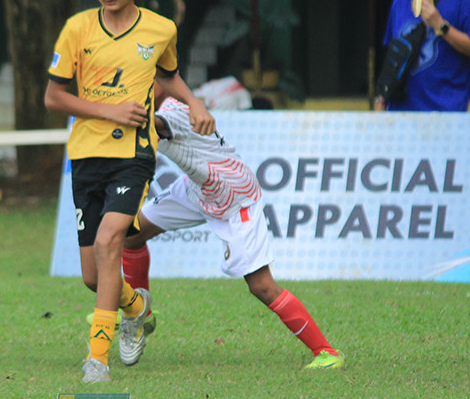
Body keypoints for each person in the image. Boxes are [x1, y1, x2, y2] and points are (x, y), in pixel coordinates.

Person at [45, 0, 215, 383]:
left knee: (109, 243)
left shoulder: (161, 29)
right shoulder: (77, 29)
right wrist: (109, 109)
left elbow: (169, 75)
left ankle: (96, 360)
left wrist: (194, 103)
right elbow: (53, 97)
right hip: (86, 156)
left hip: (133, 154)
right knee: (92, 276)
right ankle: (137, 308)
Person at [122, 81, 345, 369]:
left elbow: (150, 124)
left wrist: (101, 111)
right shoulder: (170, 103)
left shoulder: (173, 111)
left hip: (234, 196)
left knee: (261, 286)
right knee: (132, 235)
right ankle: (141, 314)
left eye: (145, 77)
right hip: (199, 188)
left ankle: (327, 352)